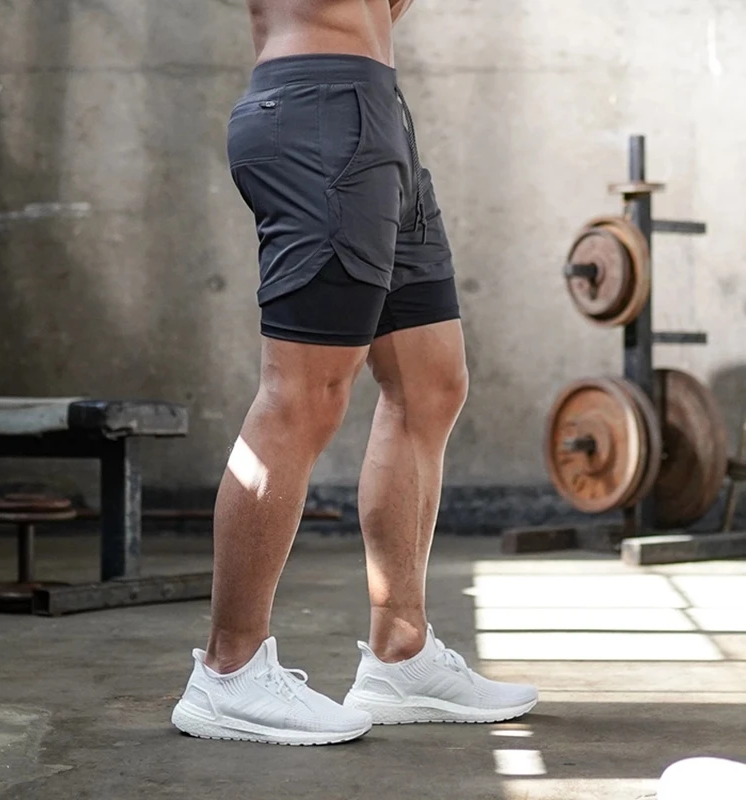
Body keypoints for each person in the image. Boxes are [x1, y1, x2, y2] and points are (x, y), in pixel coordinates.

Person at [171, 0, 538, 745]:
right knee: (304, 396)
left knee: (431, 384)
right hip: (319, 112)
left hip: (375, 111)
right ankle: (228, 671)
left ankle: (402, 653)